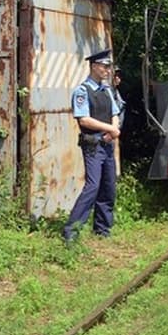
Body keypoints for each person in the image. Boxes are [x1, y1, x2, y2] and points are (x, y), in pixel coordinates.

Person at [63, 49, 120, 243]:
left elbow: (115, 112)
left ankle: (102, 230)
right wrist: (110, 129)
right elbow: (84, 119)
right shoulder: (82, 91)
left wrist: (113, 129)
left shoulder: (106, 90)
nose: (108, 70)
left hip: (107, 145)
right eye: (105, 66)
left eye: (109, 67)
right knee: (93, 187)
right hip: (93, 145)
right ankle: (71, 231)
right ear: (94, 66)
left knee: (108, 187)